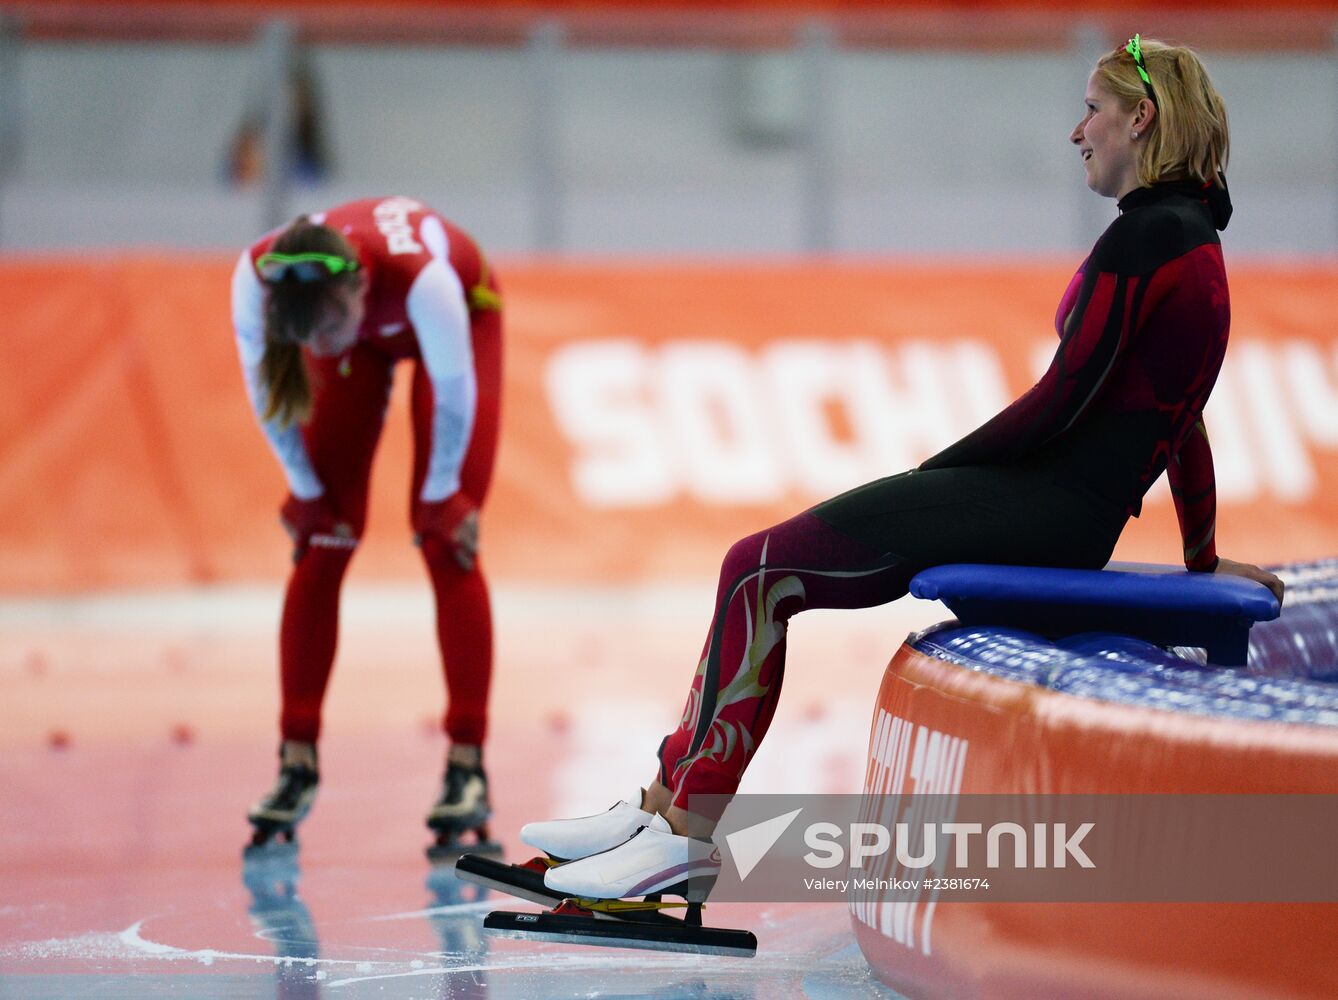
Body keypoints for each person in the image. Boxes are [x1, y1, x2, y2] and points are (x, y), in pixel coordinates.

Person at [520, 36, 1285, 901]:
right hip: (1061, 511)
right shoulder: (1192, 242)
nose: (1078, 132)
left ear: (1139, 119)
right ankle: (661, 807)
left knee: (757, 571)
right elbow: (1181, 418)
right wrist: (1201, 550)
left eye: (1092, 110)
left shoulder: (1149, 237)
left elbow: (1061, 400)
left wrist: (937, 472)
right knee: (756, 569)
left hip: (1040, 508)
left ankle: (688, 833)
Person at [231, 196, 503, 849]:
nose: (322, 350)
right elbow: (266, 393)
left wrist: (443, 495)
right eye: (308, 343)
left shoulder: (425, 281)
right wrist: (303, 488)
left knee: (446, 541)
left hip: (463, 320)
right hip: (372, 329)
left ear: (356, 288)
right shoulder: (256, 279)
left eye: (329, 332)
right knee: (322, 537)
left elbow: (455, 392)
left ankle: (467, 766)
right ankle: (296, 760)